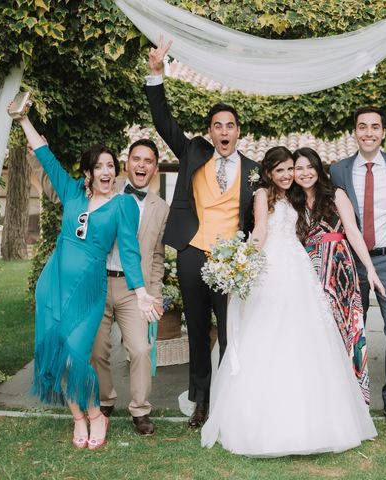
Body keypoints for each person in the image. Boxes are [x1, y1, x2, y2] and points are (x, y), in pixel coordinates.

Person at [200, 147, 377, 456]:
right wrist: (241, 264)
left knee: (305, 336)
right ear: (269, 172)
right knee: (268, 334)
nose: (287, 175)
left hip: (299, 265)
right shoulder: (262, 195)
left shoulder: (297, 196)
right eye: (280, 170)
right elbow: (261, 232)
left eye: (290, 169)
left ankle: (317, 419)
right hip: (272, 265)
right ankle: (262, 421)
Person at [11, 107, 158, 450]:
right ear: (89, 173)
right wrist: (22, 120)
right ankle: (78, 417)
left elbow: (131, 252)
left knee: (76, 355)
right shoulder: (73, 193)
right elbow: (45, 157)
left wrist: (140, 293)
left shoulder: (122, 207)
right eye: (100, 166)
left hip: (90, 290)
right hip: (54, 284)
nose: (107, 171)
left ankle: (97, 415)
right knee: (58, 353)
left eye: (111, 166)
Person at [144, 35, 260, 427]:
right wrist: (156, 75)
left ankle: (231, 398)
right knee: (196, 331)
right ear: (210, 131)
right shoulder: (193, 151)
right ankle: (202, 401)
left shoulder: (254, 168)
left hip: (232, 263)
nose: (223, 131)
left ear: (238, 131)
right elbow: (163, 122)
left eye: (230, 125)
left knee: (230, 332)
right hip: (193, 252)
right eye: (217, 125)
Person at [329, 107, 386, 428]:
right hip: (351, 262)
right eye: (362, 127)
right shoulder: (339, 171)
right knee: (351, 333)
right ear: (354, 132)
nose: (368, 133)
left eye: (375, 127)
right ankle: (350, 398)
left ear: (383, 132)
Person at [290, 147, 385, 404]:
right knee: (316, 334)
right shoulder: (291, 201)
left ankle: (352, 400)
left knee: (346, 330)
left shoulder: (335, 194)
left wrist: (371, 269)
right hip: (306, 273)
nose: (305, 173)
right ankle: (321, 399)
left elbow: (353, 233)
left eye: (310, 167)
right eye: (299, 168)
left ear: (319, 169)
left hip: (339, 270)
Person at [90, 139, 170, 435]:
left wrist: (155, 294)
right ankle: (105, 399)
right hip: (98, 282)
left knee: (140, 348)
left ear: (155, 168)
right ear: (127, 164)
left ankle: (140, 410)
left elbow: (158, 256)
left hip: (135, 291)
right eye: (136, 159)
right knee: (97, 349)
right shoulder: (105, 191)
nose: (141, 165)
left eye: (148, 160)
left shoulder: (161, 208)